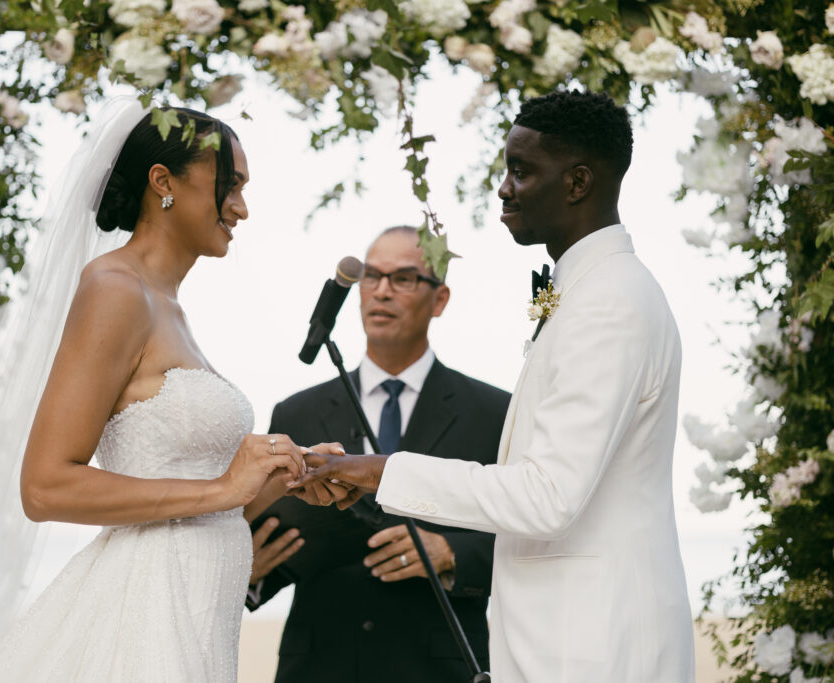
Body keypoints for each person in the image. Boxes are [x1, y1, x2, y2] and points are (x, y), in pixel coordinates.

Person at [0, 100, 306, 683]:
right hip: (143, 616)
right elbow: (45, 487)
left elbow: (197, 500)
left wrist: (277, 479)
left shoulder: (171, 310)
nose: (242, 208)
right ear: (163, 182)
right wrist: (222, 487)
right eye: (230, 184)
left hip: (198, 614)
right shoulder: (116, 290)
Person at [293, 91, 696, 682]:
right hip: (556, 636)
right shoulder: (589, 290)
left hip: (592, 643)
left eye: (522, 171)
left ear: (579, 181)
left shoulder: (610, 302)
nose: (504, 189)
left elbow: (545, 495)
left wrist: (377, 470)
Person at [249, 226, 511, 682]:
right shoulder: (298, 411)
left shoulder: (494, 413)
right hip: (317, 667)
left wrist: (452, 552)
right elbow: (269, 535)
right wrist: (247, 570)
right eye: (371, 277)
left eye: (404, 278)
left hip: (437, 669)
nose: (382, 292)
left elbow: (531, 528)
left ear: (441, 298)